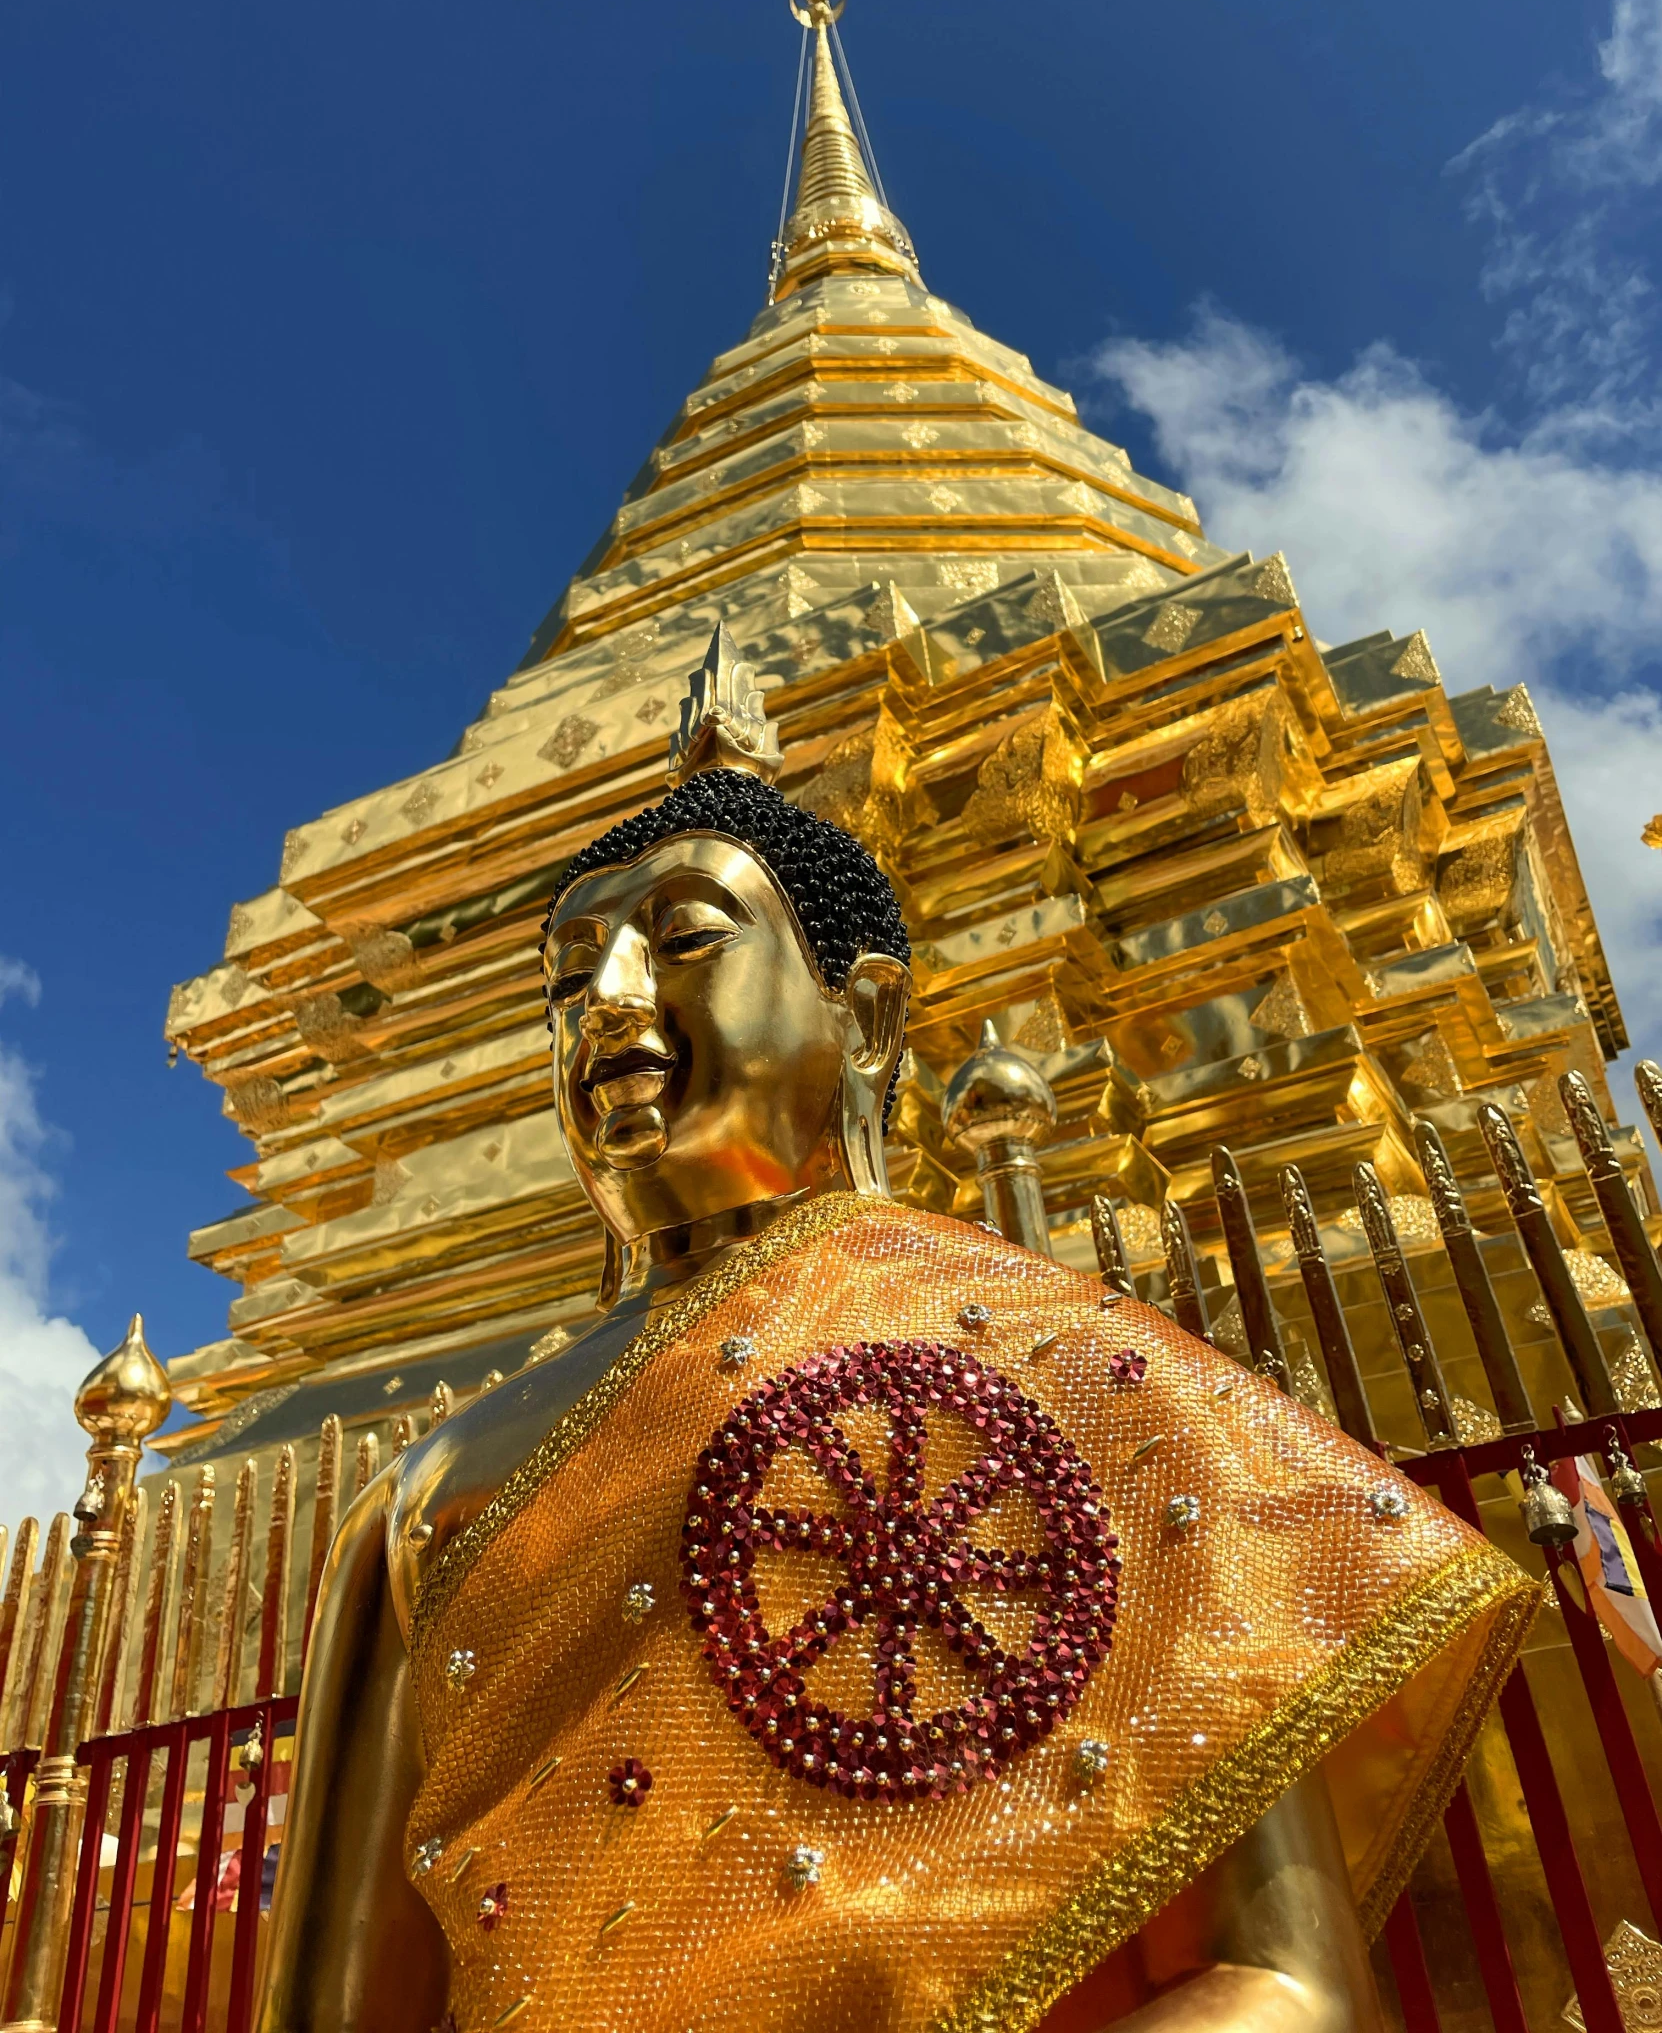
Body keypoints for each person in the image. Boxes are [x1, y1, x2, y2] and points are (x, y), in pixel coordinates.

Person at [259, 631, 1534, 2033]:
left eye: (682, 939)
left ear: (864, 1018)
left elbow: (1285, 1983)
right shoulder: (425, 1495)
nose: (609, 1000)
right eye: (568, 979)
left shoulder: (1088, 1377)